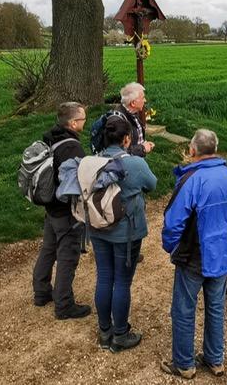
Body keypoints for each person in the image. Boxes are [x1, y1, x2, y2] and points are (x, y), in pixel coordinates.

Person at [161, 129, 227, 379]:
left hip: (194, 256)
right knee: (216, 307)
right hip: (223, 254)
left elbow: (173, 223)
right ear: (216, 148)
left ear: (192, 150)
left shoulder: (191, 180)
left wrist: (171, 247)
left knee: (184, 309)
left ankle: (184, 364)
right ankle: (215, 359)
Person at [90, 115, 157, 352]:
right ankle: (120, 334)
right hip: (126, 233)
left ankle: (104, 330)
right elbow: (152, 184)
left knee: (104, 277)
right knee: (122, 282)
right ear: (127, 139)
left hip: (97, 228)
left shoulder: (92, 162)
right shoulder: (135, 164)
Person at [32, 101, 89, 319]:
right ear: (73, 123)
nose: (84, 122)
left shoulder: (51, 137)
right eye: (82, 119)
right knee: (68, 253)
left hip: (50, 205)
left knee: (49, 247)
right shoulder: (72, 147)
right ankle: (64, 304)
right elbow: (74, 180)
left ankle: (41, 291)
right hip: (65, 208)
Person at [118, 82, 155, 156]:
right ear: (133, 103)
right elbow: (119, 152)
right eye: (142, 98)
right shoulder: (119, 121)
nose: (145, 100)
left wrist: (144, 144)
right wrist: (142, 148)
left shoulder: (132, 113)